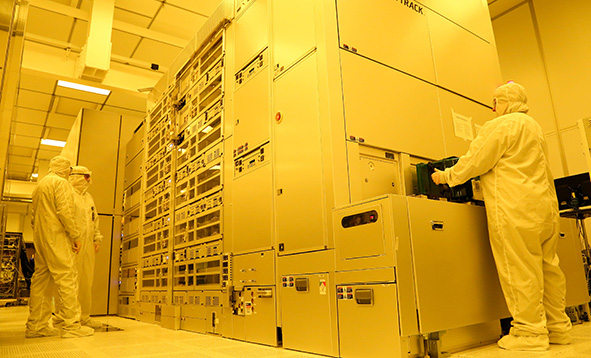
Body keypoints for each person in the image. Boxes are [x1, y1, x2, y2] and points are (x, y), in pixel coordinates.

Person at [431, 82, 572, 351]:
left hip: (516, 208)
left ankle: (530, 334)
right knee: (549, 269)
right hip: (545, 209)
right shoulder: (534, 126)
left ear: (505, 102)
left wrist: (445, 176)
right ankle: (557, 328)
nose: (494, 108)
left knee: (520, 269)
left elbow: (475, 161)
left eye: (495, 102)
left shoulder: (500, 126)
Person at [26, 156, 94, 338]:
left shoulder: (40, 186)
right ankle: (71, 326)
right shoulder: (60, 183)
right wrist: (75, 235)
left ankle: (36, 326)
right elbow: (65, 211)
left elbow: (34, 217)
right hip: (56, 237)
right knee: (67, 278)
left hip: (41, 238)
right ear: (65, 169)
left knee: (41, 281)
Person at [54, 166, 103, 329]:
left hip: (87, 244)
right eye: (86, 176)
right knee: (70, 281)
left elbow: (94, 219)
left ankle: (84, 317)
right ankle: (64, 317)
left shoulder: (88, 197)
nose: (88, 180)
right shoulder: (67, 194)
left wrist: (97, 238)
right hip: (71, 243)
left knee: (86, 281)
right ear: (74, 176)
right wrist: (73, 237)